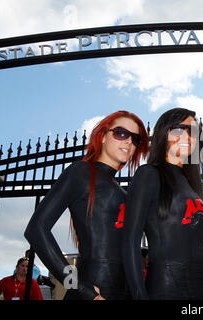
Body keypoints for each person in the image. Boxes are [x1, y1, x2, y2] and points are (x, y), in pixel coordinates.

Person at [24, 110, 149, 300]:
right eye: (121, 133)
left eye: (136, 139)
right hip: (92, 291)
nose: (129, 142)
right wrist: (79, 287)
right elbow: (35, 230)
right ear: (103, 136)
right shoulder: (80, 172)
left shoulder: (125, 192)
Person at [123, 108, 203, 300]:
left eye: (193, 132)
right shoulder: (148, 174)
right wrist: (139, 295)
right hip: (166, 285)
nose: (188, 136)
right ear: (164, 132)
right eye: (180, 129)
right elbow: (130, 241)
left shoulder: (192, 183)